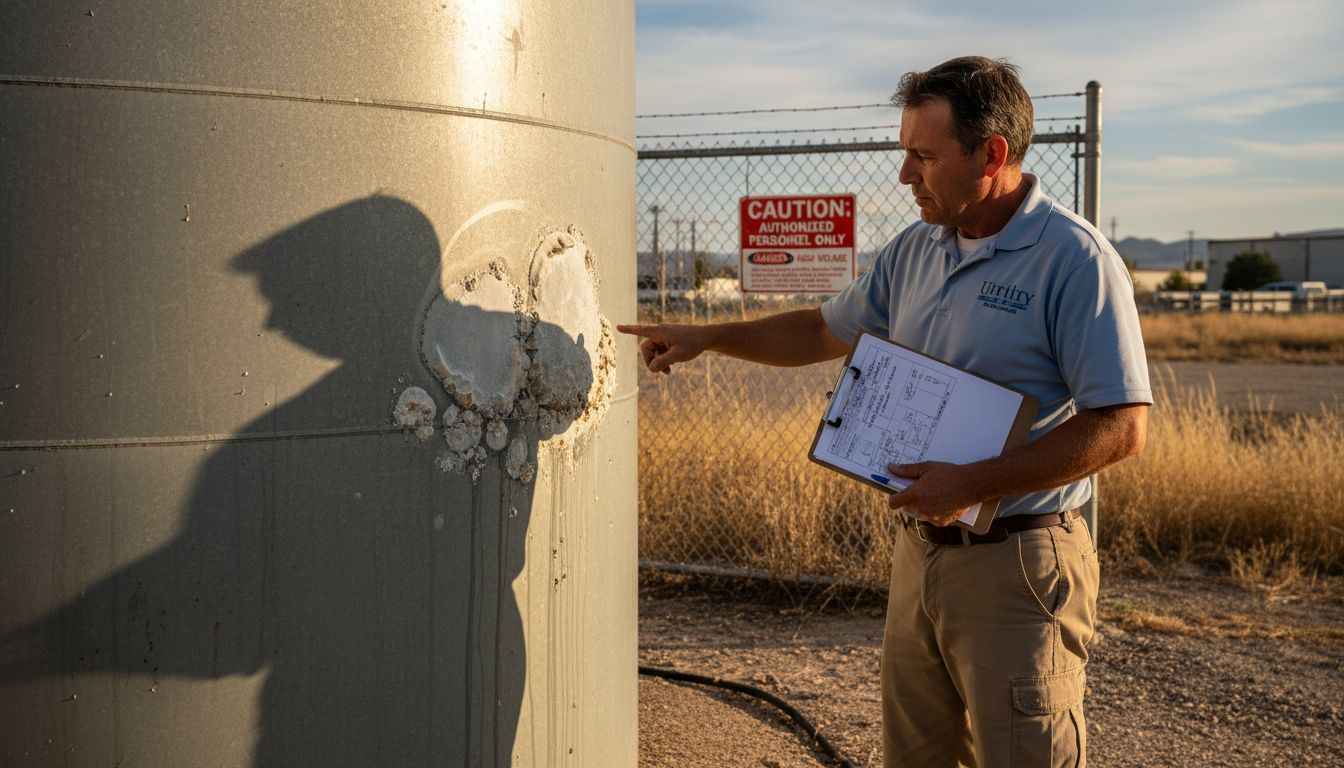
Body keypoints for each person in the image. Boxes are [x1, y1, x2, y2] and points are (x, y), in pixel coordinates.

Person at [619, 56, 1150, 767]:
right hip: (920, 551)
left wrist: (974, 482)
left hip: (1020, 563)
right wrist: (711, 336)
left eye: (923, 157)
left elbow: (1121, 426)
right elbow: (822, 332)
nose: (906, 176)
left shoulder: (1073, 259)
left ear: (991, 154)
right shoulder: (915, 249)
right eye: (905, 153)